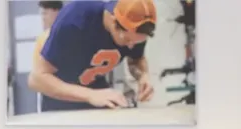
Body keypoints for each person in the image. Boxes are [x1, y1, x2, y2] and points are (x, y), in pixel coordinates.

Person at [28, 0, 156, 113]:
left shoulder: (135, 29)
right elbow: (36, 79)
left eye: (137, 42)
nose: (131, 46)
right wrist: (90, 95)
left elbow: (136, 59)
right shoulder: (75, 20)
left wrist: (142, 76)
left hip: (99, 96)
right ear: (112, 21)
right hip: (61, 102)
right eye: (127, 40)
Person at [31, 1, 66, 113]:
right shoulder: (42, 38)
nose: (43, 18)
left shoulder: (45, 38)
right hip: (53, 96)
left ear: (56, 12)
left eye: (45, 13)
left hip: (60, 96)